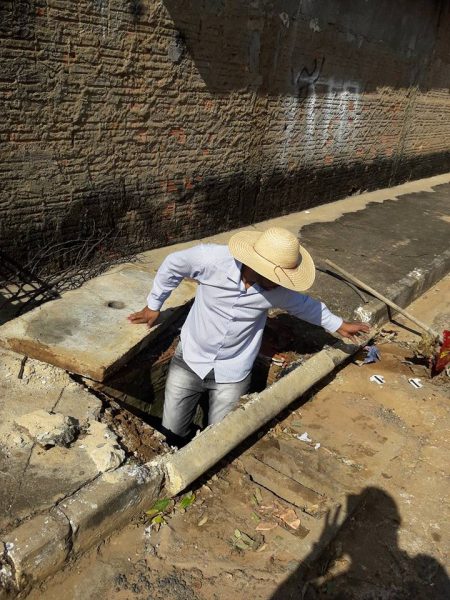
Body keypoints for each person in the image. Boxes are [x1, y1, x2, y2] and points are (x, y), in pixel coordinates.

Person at [128, 227, 369, 444]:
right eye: (274, 277)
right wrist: (154, 305)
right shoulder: (211, 260)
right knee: (170, 434)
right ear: (254, 264)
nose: (279, 284)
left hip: (233, 371)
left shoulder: (279, 291)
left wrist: (339, 325)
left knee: (220, 439)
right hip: (190, 359)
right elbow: (173, 264)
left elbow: (306, 306)